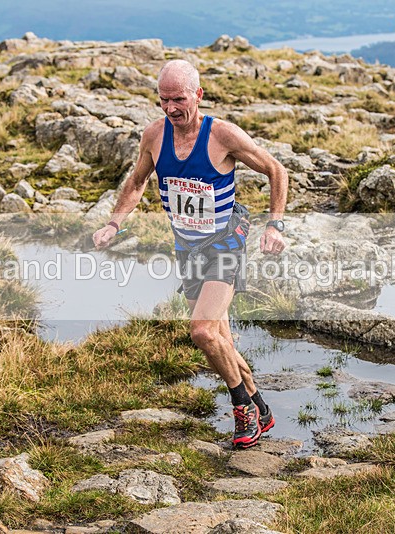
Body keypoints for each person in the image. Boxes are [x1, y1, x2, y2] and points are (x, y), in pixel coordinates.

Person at [92, 59, 289, 449]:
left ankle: (241, 407)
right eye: (163, 100)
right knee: (220, 340)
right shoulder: (154, 136)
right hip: (187, 247)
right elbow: (136, 182)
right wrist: (113, 223)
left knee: (201, 330)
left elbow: (276, 170)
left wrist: (275, 225)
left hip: (225, 242)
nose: (170, 108)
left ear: (198, 95)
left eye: (178, 99)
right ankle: (261, 407)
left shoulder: (222, 135)